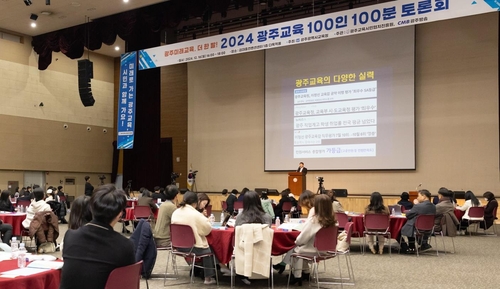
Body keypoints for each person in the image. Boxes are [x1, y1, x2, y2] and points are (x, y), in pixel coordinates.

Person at [59, 184, 135, 289]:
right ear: (119, 214)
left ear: (91, 208)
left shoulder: (70, 236)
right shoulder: (125, 245)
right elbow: (127, 283)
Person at [273, 194, 336, 285]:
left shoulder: (314, 221)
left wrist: (296, 242)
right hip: (330, 250)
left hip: (315, 250)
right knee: (302, 248)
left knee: (297, 247)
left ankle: (297, 276)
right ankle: (305, 272)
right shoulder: (334, 221)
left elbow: (300, 240)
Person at [171, 191, 217, 285]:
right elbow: (206, 230)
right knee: (209, 250)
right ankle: (208, 278)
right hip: (192, 247)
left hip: (177, 246)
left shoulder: (176, 212)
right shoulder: (195, 214)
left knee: (205, 248)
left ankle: (197, 269)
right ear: (195, 203)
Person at [398, 189, 436, 253]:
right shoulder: (433, 206)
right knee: (410, 226)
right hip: (428, 228)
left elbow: (408, 215)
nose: (417, 198)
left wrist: (415, 205)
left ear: (424, 196)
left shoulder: (418, 206)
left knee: (399, 230)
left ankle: (407, 247)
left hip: (415, 227)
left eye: (418, 196)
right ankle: (416, 246)